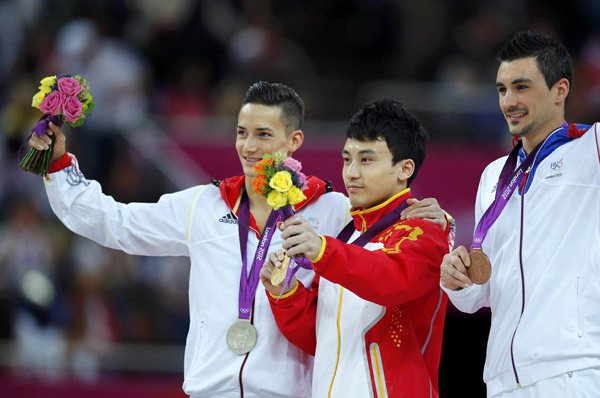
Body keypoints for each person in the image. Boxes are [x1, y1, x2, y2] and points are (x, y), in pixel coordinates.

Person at [28, 81, 451, 398]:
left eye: (264, 135)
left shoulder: (335, 212)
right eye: (242, 132)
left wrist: (439, 218)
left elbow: (388, 240)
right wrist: (61, 165)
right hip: (209, 390)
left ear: (293, 141)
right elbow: (115, 222)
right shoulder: (203, 205)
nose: (249, 147)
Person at [440, 31, 600, 398]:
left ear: (560, 90)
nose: (508, 101)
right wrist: (458, 281)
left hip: (572, 370)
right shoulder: (494, 175)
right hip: (501, 378)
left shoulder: (590, 152)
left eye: (522, 87)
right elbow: (482, 295)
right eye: (501, 89)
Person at [260, 99, 450, 398]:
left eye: (366, 160)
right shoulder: (348, 236)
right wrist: (285, 292)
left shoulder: (424, 230)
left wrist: (323, 250)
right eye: (347, 159)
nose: (351, 173)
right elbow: (321, 338)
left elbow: (391, 280)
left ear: (404, 169)